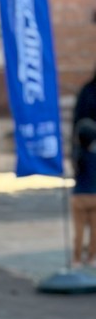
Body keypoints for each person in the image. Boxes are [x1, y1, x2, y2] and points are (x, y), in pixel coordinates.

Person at [70, 65, 96, 265]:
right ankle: (92, 257)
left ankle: (77, 258)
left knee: (79, 228)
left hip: (79, 194)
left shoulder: (86, 91)